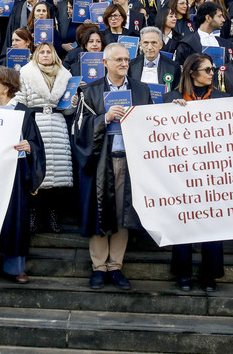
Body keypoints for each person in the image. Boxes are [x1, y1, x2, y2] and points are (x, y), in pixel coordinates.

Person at [73, 43, 152, 291]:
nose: (124, 64)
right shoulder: (91, 91)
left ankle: (115, 266)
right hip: (101, 160)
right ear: (104, 62)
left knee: (122, 213)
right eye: (118, 60)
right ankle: (99, 267)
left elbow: (151, 124)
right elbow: (78, 129)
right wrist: (103, 118)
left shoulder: (140, 90)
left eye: (127, 59)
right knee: (100, 212)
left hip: (129, 161)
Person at [0, 67, 45, 283]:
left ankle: (15, 268)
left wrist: (29, 146)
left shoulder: (24, 112)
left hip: (15, 173)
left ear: (6, 87)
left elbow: (36, 144)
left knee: (16, 219)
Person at [163, 53, 227, 291]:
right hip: (183, 171)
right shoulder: (171, 98)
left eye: (212, 70)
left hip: (214, 170)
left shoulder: (223, 97)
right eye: (207, 70)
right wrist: (170, 112)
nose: (212, 73)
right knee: (184, 221)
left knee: (212, 221)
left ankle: (209, 274)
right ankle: (183, 273)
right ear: (192, 72)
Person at [16, 43, 74, 233]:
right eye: (42, 52)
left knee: (57, 176)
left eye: (49, 52)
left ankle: (53, 217)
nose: (46, 55)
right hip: (36, 123)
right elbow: (20, 101)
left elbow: (67, 109)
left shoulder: (65, 75)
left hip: (57, 124)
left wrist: (72, 102)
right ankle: (33, 216)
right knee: (37, 172)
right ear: (36, 55)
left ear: (55, 55)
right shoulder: (25, 73)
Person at [174, 2, 230, 66]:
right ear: (208, 18)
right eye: (219, 16)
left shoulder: (226, 44)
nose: (223, 20)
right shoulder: (186, 44)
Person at [128, 27, 181, 93]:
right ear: (141, 44)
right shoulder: (131, 65)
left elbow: (176, 92)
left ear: (161, 45)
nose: (149, 47)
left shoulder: (173, 67)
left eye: (154, 43)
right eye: (146, 43)